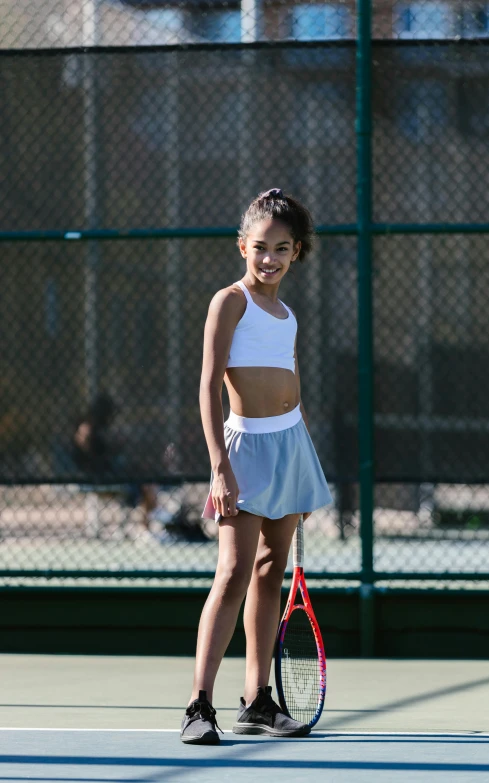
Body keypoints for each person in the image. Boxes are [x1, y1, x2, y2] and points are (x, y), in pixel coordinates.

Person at [180, 189, 332, 744]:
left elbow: (294, 391)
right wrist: (220, 466)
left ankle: (258, 701)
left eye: (282, 249)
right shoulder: (230, 301)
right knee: (233, 574)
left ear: (297, 254)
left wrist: (305, 467)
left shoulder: (287, 313)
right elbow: (208, 386)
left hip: (291, 449)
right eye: (261, 247)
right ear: (243, 245)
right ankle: (199, 704)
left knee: (271, 574)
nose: (269, 258)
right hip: (243, 452)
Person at [72, 393, 175, 537]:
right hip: (97, 475)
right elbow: (87, 452)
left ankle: (151, 518)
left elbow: (105, 453)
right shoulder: (87, 427)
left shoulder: (100, 429)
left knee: (144, 477)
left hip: (109, 472)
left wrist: (116, 447)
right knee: (143, 481)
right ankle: (151, 518)